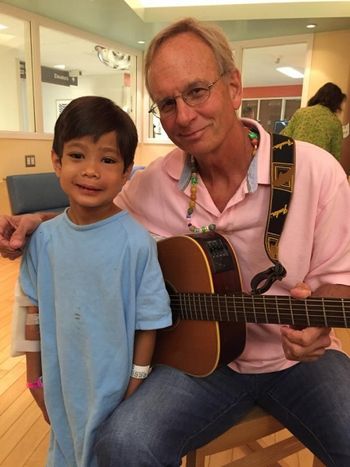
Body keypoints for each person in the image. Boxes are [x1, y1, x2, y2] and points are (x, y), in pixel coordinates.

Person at [1, 17, 350, 467]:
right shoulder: (152, 182)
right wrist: (41, 222)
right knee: (123, 443)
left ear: (234, 86)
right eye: (166, 103)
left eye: (197, 91)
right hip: (198, 364)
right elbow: (95, 218)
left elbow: (340, 278)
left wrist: (319, 320)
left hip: (299, 364)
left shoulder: (316, 172)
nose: (183, 116)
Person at [16, 96, 172, 467]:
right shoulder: (44, 240)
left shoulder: (137, 243)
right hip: (61, 382)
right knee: (67, 450)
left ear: (127, 171)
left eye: (107, 159)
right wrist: (34, 380)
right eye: (76, 156)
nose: (90, 171)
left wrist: (135, 383)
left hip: (116, 388)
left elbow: (148, 323)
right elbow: (33, 313)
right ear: (56, 161)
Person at [281, 82, 346, 160]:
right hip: (318, 165)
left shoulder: (301, 112)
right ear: (336, 102)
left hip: (295, 160)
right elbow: (335, 156)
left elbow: (284, 136)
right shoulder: (335, 122)